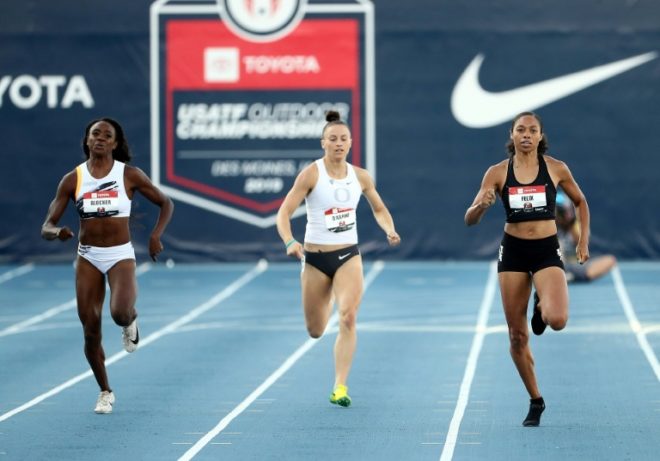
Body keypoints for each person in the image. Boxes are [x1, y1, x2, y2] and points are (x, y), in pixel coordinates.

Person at [464, 111, 590, 426]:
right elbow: (470, 218)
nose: (526, 135)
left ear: (540, 136)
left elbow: (580, 202)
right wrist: (482, 206)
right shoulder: (496, 173)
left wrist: (583, 242)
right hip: (514, 253)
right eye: (520, 130)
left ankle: (541, 303)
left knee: (557, 319)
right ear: (512, 135)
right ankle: (536, 399)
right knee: (517, 336)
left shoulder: (556, 168)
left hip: (546, 250)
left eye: (532, 130)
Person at [41, 117, 174, 414]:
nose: (100, 138)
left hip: (119, 254)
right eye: (95, 134)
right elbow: (46, 225)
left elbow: (166, 203)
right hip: (88, 255)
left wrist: (155, 235)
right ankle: (105, 391)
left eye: (107, 135)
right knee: (90, 330)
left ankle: (131, 321)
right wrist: (57, 232)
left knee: (119, 312)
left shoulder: (129, 174)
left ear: (115, 143)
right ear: (87, 141)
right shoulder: (72, 179)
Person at [276, 110, 401, 407]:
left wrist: (389, 229)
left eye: (343, 139)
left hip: (348, 255)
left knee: (348, 317)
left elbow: (379, 209)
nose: (338, 143)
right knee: (316, 330)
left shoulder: (360, 176)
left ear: (351, 143)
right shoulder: (311, 174)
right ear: (323, 143)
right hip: (316, 259)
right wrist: (289, 240)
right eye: (333, 138)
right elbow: (283, 213)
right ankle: (327, 295)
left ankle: (340, 387)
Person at [556, 190, 616, 283]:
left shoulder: (576, 225)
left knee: (610, 260)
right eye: (561, 212)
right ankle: (562, 274)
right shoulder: (549, 225)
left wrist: (569, 223)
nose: (564, 215)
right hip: (557, 264)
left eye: (566, 211)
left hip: (577, 265)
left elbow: (581, 246)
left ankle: (571, 276)